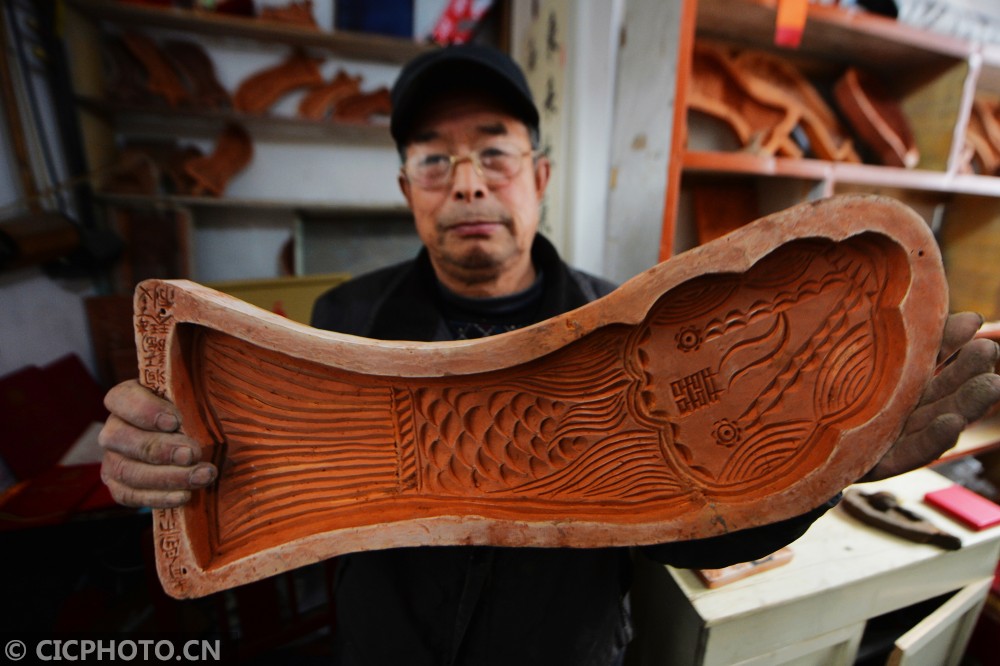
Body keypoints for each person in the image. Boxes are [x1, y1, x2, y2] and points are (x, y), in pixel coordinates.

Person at [99, 45, 1000, 665]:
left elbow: (703, 517)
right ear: (408, 190)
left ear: (539, 176)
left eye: (493, 153)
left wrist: (820, 470)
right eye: (434, 161)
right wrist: (162, 459)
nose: (468, 183)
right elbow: (238, 477)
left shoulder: (627, 318)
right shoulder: (342, 321)